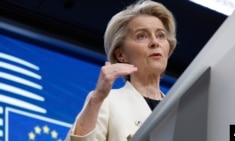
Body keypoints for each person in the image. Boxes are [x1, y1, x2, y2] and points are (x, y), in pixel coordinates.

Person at [65, 0, 176, 140]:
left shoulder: (180, 108)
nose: (155, 42)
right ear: (121, 55)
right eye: (142, 36)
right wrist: (97, 98)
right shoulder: (106, 101)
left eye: (161, 35)